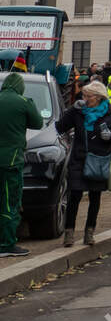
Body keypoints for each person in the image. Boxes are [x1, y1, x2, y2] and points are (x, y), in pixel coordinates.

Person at [59, 79, 111, 248]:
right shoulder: (79, 111)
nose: (85, 98)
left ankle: (89, 232)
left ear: (99, 97)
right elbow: (61, 126)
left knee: (95, 197)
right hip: (79, 158)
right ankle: (69, 232)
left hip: (99, 159)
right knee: (75, 195)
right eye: (84, 95)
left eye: (88, 96)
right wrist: (72, 109)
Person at [0, 71, 45, 258]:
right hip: (11, 161)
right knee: (10, 203)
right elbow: (38, 123)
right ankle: (7, 244)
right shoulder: (24, 102)